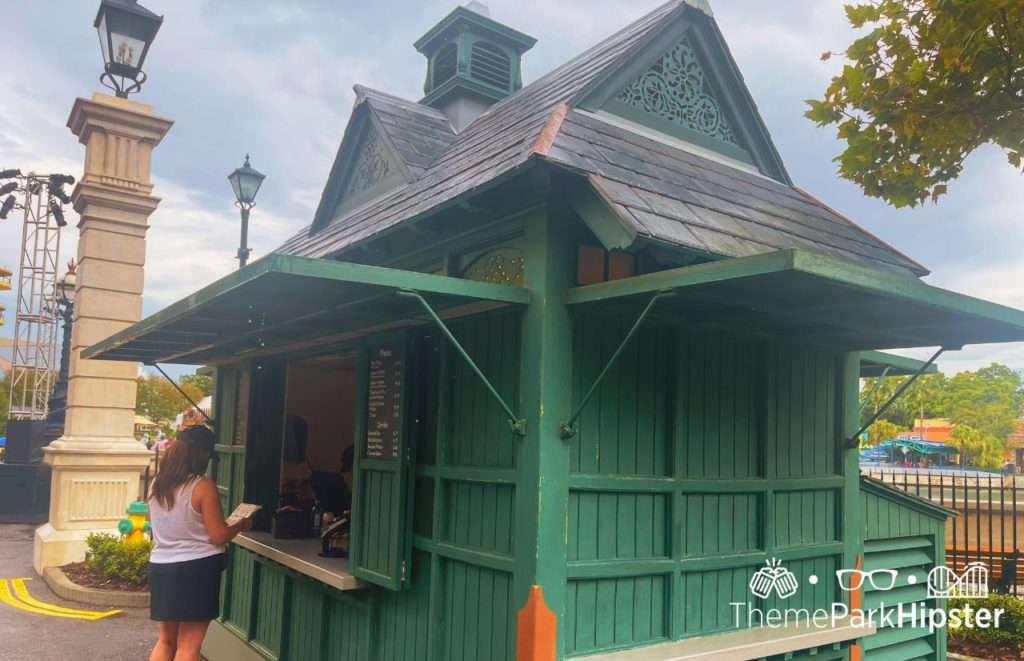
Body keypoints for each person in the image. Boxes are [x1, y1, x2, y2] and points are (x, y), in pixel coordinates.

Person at [146, 425, 253, 661]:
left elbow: (154, 522)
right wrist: (240, 524)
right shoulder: (202, 486)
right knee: (188, 646)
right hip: (197, 569)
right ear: (202, 454)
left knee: (165, 640)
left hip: (162, 566)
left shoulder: (157, 484)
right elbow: (218, 536)